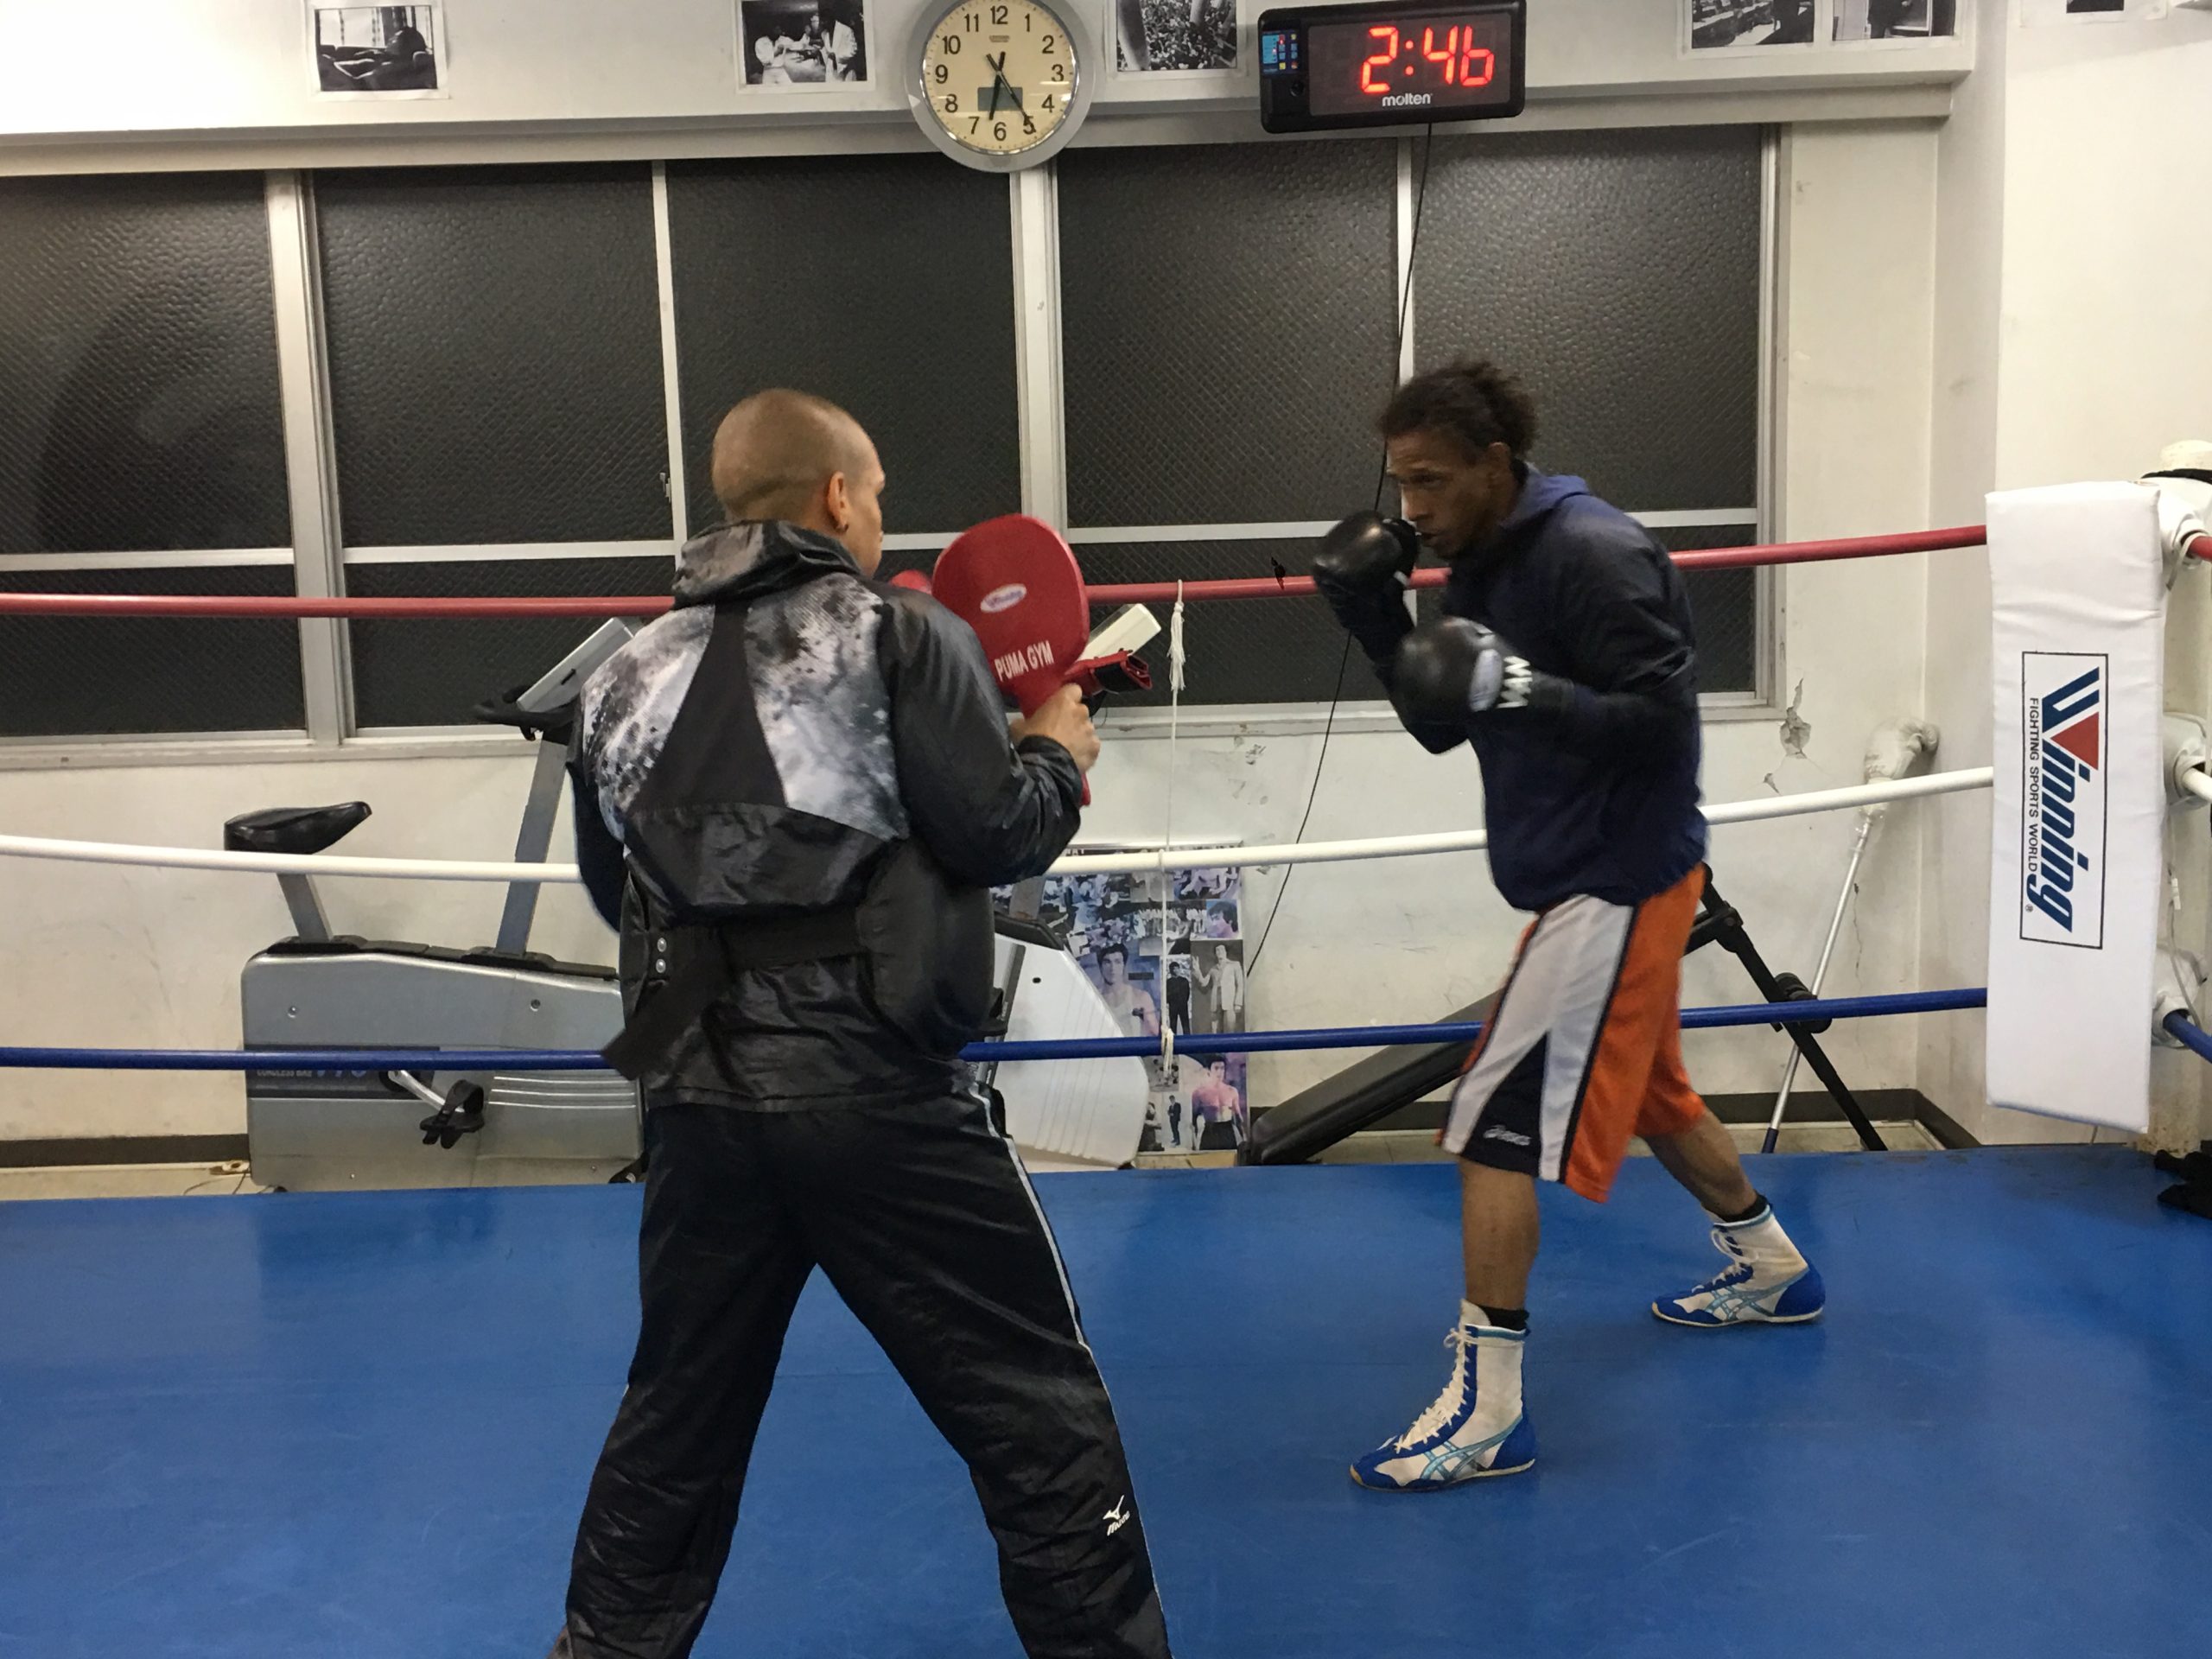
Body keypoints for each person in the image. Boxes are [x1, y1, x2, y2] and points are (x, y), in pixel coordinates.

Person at [550, 389, 1173, 1656]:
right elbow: (997, 833)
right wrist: (1054, 751)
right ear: (837, 496)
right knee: (1037, 1417)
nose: (880, 516)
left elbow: (620, 894)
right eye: (877, 493)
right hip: (878, 1096)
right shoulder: (897, 633)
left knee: (675, 1426)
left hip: (698, 1097)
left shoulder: (619, 672)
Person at [1312, 359, 1825, 1493]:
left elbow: (1663, 726)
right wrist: (1377, 617)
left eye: (1432, 481)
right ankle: (1773, 1266)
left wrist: (1523, 691)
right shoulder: (1474, 560)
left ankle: (1488, 1410)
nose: (1414, 508)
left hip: (1617, 877)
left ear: (1496, 463)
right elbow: (1443, 720)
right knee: (1651, 1093)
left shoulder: (1594, 551)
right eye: (1402, 485)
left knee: (1492, 1119)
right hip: (1575, 876)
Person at [1096, 944, 1160, 1038]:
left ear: (1124, 965)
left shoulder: (1140, 997)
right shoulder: (1093, 997)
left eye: (1117, 962)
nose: (1112, 968)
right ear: (1101, 966)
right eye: (1107, 962)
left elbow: (1155, 1034)